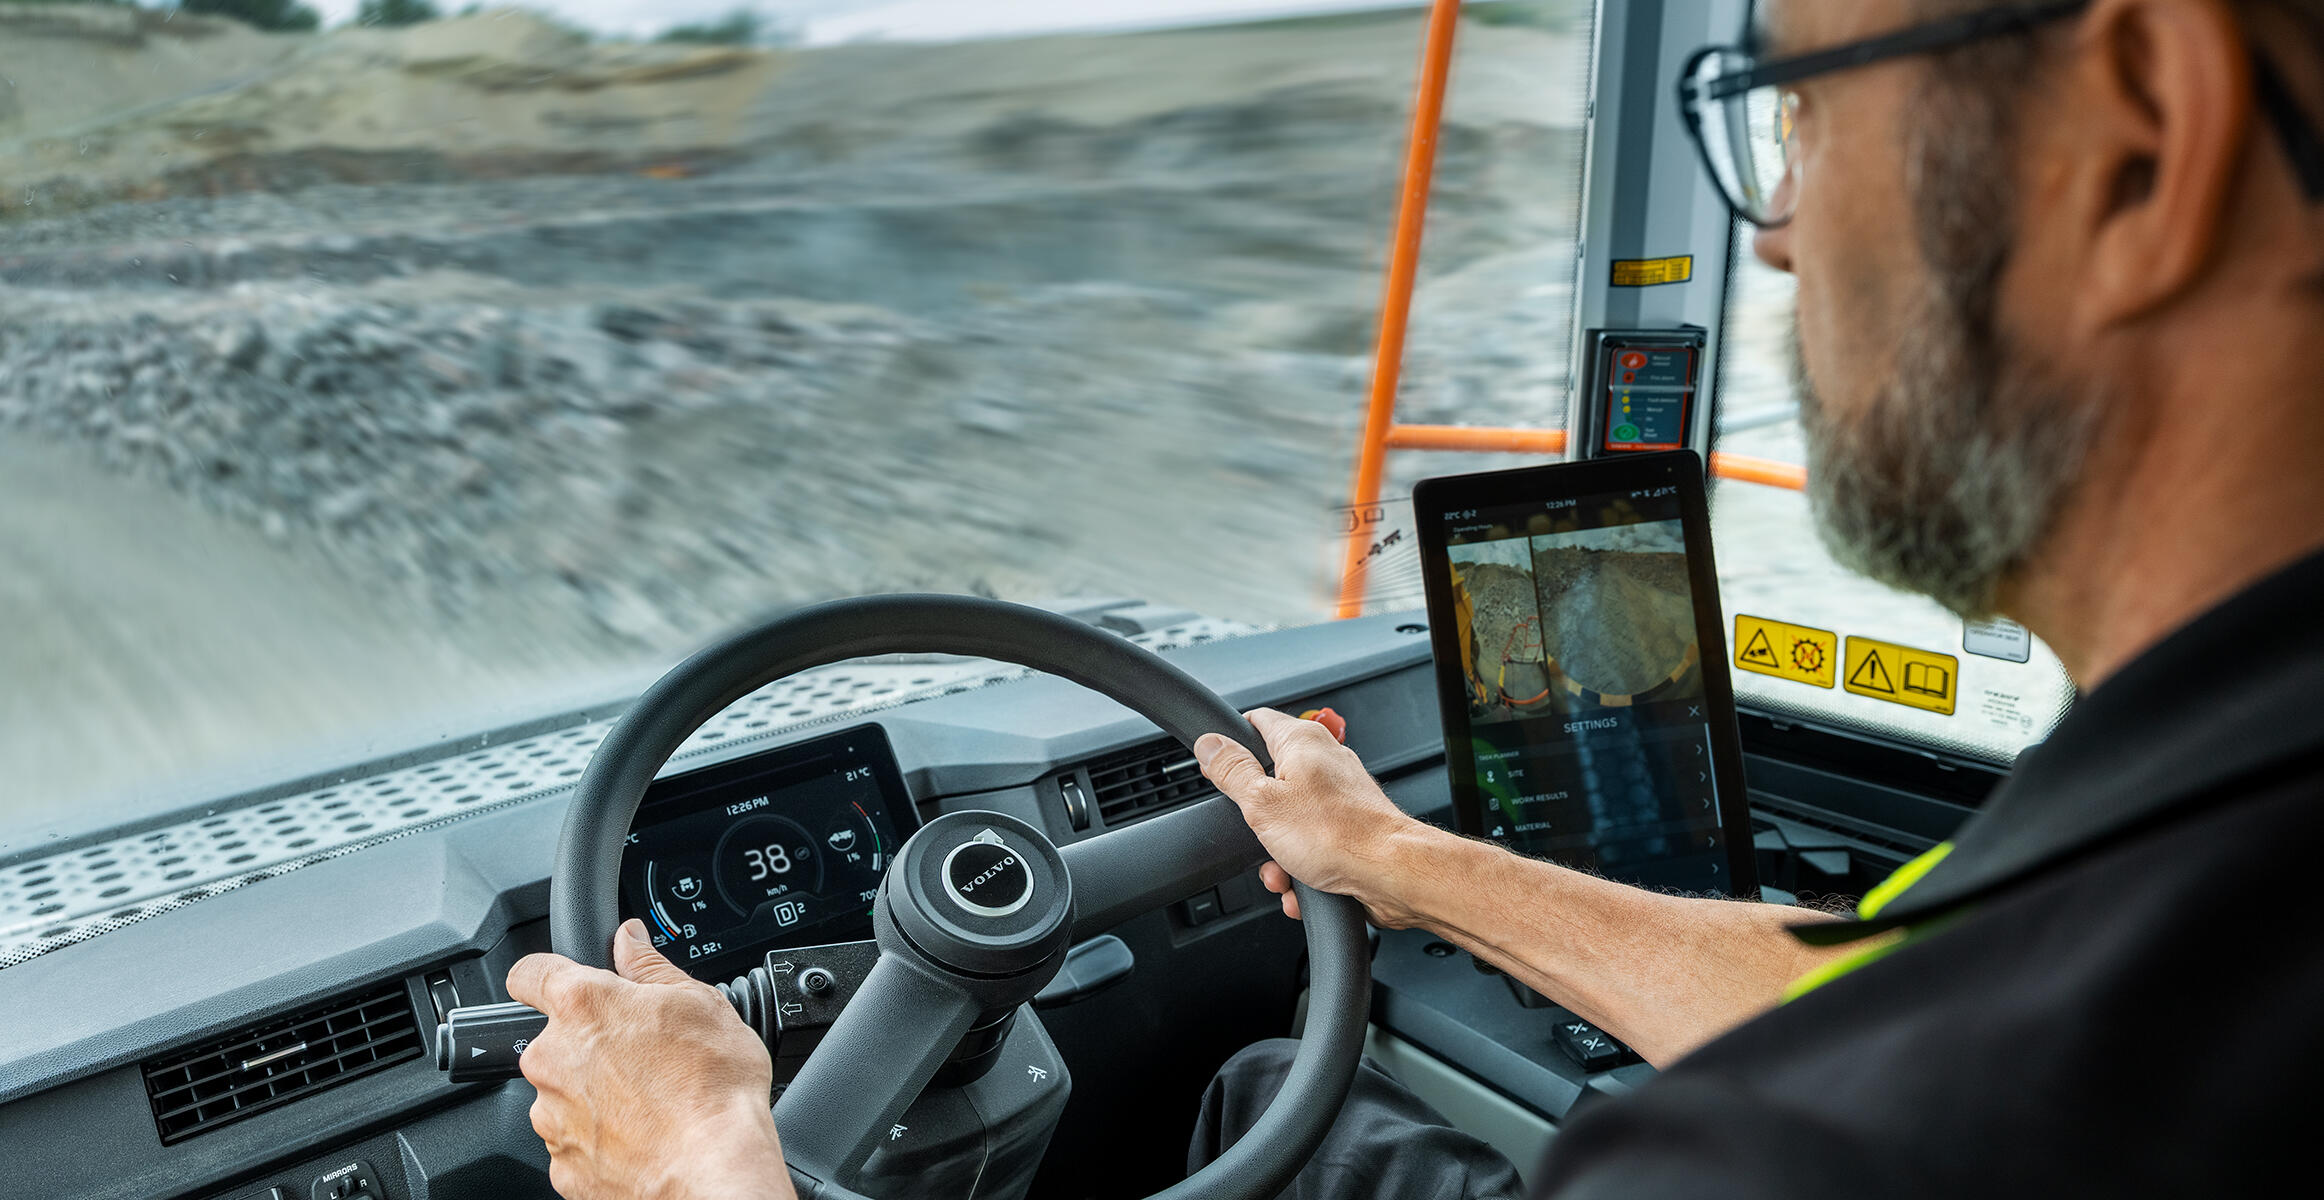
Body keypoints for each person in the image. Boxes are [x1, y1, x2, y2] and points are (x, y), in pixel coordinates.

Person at [501, 0, 2324, 1195]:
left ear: (2140, 135)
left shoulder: (1814, 1156)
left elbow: (1873, 1074)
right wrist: (1401, 861)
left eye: (1794, 114)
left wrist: (703, 1162)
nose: (1769, 233)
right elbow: (1857, 994)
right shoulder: (2183, 857)